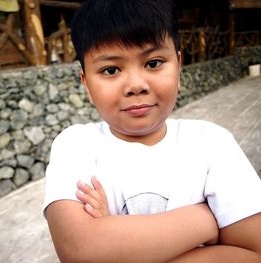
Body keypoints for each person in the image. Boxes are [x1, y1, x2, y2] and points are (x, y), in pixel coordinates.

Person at [43, 0, 261, 262]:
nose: (136, 85)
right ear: (86, 83)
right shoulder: (76, 146)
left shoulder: (212, 144)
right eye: (111, 70)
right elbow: (81, 250)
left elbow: (253, 253)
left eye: (154, 63)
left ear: (178, 67)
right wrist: (205, 220)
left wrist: (118, 245)